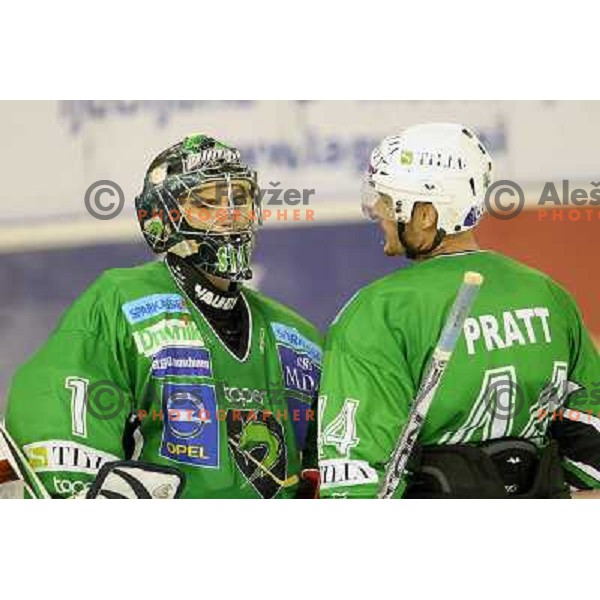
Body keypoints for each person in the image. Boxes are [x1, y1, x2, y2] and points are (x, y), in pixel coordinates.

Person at [5, 134, 321, 499]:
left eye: (241, 198)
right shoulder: (121, 301)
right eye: (207, 203)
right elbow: (58, 407)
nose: (231, 214)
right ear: (161, 217)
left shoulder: (297, 336)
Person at [318, 123, 600, 499]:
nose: (375, 210)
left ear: (425, 216)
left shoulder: (376, 312)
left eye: (386, 200)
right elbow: (591, 451)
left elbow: (354, 479)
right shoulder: (548, 295)